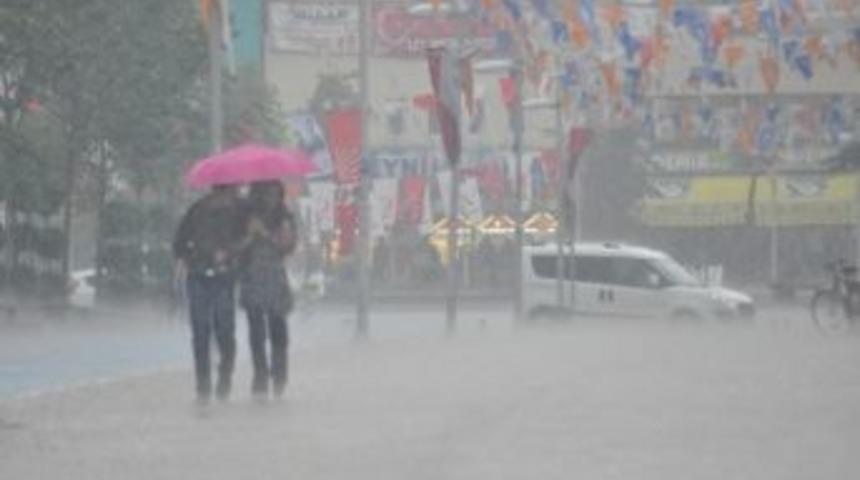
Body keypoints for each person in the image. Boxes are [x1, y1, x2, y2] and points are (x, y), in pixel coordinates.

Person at [173, 185, 245, 405]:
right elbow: (179, 243)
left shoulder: (240, 214)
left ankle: (224, 377)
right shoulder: (197, 210)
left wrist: (229, 253)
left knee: (224, 329)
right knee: (201, 331)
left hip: (224, 277)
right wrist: (189, 256)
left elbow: (245, 244)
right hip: (197, 276)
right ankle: (203, 387)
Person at [238, 181, 297, 399]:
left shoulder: (285, 218)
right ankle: (260, 376)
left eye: (273, 195)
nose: (270, 199)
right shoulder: (245, 217)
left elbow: (287, 248)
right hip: (252, 278)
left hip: (275, 280)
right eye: (265, 194)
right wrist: (248, 235)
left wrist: (265, 233)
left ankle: (279, 375)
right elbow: (236, 248)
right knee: (256, 333)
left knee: (278, 332)